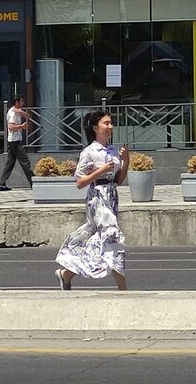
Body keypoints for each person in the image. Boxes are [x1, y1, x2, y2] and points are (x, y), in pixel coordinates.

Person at [54, 109, 129, 291]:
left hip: (111, 198)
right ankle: (124, 290)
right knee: (113, 238)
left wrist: (126, 161)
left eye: (111, 123)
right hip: (97, 198)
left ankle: (66, 274)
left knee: (101, 241)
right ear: (96, 128)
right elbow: (80, 182)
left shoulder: (113, 150)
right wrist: (100, 171)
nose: (110, 127)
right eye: (106, 123)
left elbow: (118, 180)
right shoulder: (89, 152)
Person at [0, 94, 34, 191]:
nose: (23, 103)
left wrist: (21, 112)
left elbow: (28, 115)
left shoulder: (16, 111)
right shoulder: (12, 113)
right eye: (21, 101)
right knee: (25, 162)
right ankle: (33, 182)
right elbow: (11, 127)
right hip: (15, 141)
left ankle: (2, 183)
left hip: (12, 140)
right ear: (17, 102)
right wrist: (22, 126)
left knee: (10, 163)